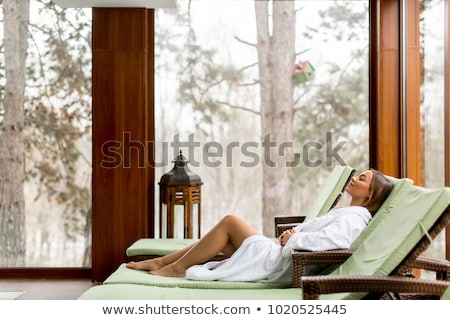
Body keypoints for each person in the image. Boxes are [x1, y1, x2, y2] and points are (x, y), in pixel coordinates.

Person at [126, 169, 394, 283]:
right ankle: (163, 263)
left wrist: (293, 239)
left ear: (370, 195)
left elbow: (333, 242)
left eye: (362, 179)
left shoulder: (356, 217)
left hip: (284, 263)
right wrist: (295, 233)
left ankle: (174, 268)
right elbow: (319, 234)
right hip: (282, 254)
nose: (355, 178)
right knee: (224, 237)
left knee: (230, 222)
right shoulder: (349, 211)